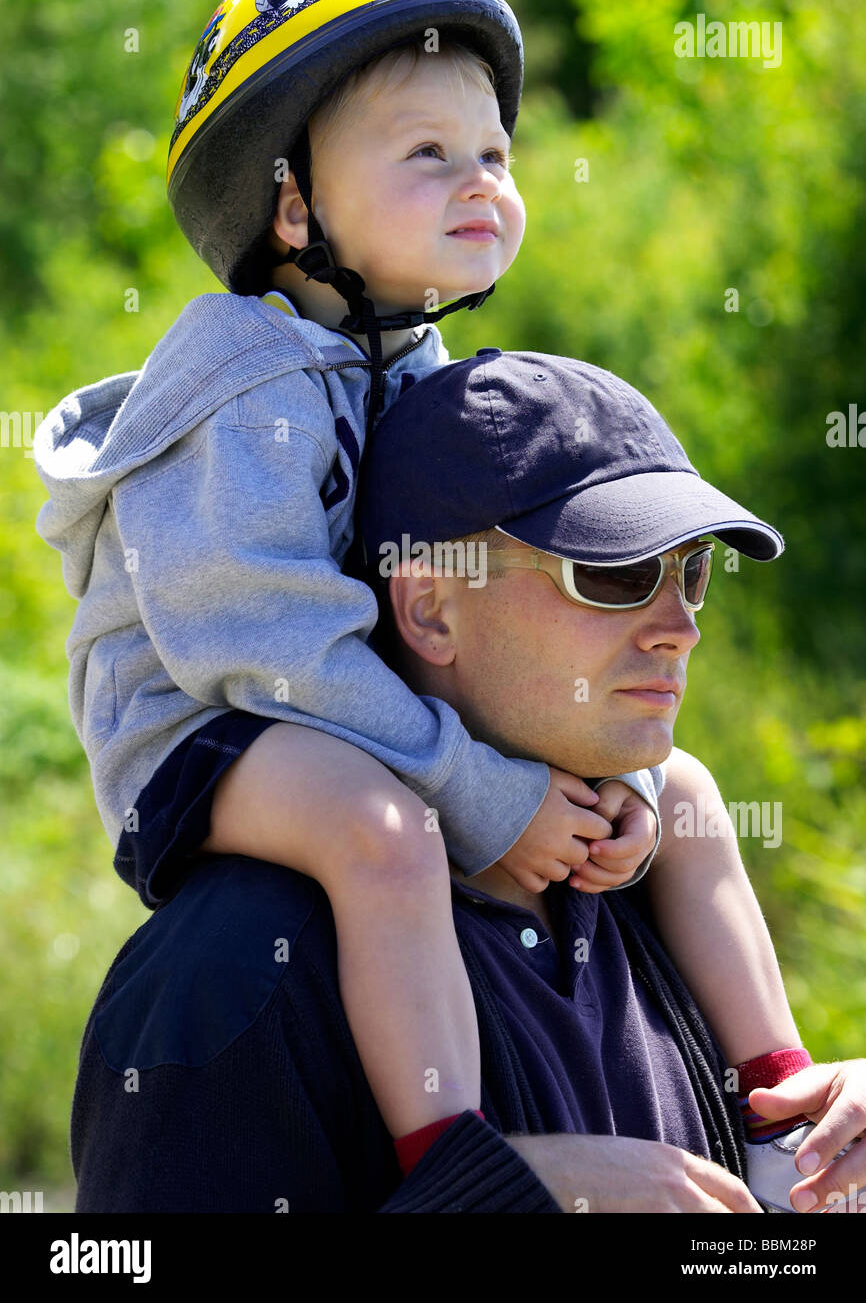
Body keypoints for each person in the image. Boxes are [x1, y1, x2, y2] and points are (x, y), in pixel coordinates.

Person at [33, 0, 663, 1175]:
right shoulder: (243, 376)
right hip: (204, 728)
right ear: (291, 203)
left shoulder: (406, 370)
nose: (481, 180)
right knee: (383, 831)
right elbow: (271, 651)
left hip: (328, 704)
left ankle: (770, 1087)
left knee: (679, 792)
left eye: (493, 152)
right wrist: (484, 792)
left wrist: (580, 776)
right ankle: (455, 1147)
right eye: (427, 154)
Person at [70, 350, 866, 1213]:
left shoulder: (650, 876)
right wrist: (502, 1199)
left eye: (692, 574)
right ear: (429, 610)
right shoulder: (234, 974)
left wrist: (833, 1167)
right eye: (615, 573)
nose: (680, 629)